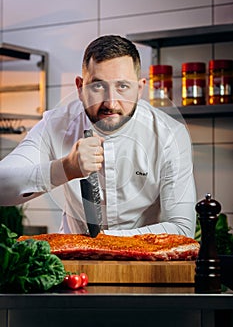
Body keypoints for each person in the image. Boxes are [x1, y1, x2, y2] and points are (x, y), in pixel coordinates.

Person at [0, 35, 196, 237]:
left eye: (123, 86)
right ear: (79, 88)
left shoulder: (170, 135)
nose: (111, 103)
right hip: (74, 265)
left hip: (144, 266)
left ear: (139, 89)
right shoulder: (56, 124)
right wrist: (65, 168)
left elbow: (181, 229)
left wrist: (102, 242)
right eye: (97, 86)